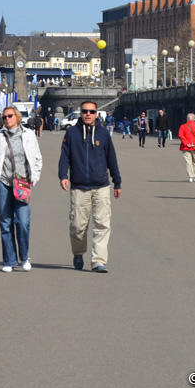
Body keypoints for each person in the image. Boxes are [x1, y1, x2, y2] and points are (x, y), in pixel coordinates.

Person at [59, 100, 122, 273]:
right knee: (78, 226)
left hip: (101, 185)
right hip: (79, 187)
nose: (88, 114)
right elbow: (65, 157)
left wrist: (117, 181)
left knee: (102, 224)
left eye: (91, 112)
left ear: (96, 114)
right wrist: (63, 175)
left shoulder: (103, 134)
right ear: (81, 113)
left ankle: (98, 261)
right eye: (85, 111)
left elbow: (112, 159)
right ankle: (78, 253)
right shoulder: (71, 133)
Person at [0, 107, 43, 272]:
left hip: (23, 183)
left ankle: (24, 257)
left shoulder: (28, 134)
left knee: (23, 222)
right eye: (4, 117)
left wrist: (34, 178)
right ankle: (9, 260)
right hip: (4, 183)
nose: (6, 119)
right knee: (6, 222)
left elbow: (37, 158)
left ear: (16, 117)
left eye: (9, 116)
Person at [177, 113, 195, 183]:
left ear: (187, 118)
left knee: (188, 162)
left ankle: (191, 176)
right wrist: (194, 143)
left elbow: (180, 135)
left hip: (185, 147)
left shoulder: (183, 126)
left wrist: (187, 143)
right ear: (194, 118)